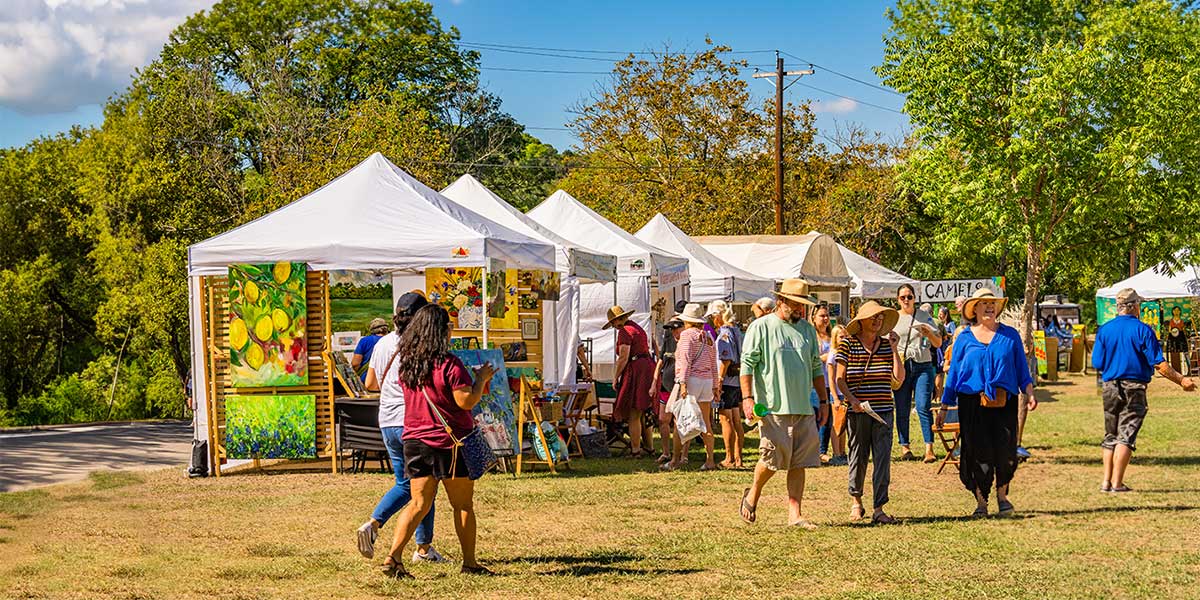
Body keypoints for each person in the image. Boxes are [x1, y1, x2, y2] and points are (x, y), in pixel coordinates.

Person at [380, 304, 496, 578]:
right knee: (463, 505)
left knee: (418, 503)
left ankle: (393, 557)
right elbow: (465, 401)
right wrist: (480, 380)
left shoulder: (408, 364)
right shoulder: (450, 364)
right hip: (449, 444)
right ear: (441, 330)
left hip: (416, 441)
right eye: (449, 325)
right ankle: (470, 563)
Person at [356, 293, 445, 565]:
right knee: (416, 486)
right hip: (413, 421)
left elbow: (370, 383)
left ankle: (424, 547)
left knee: (420, 485)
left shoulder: (382, 343)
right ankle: (374, 523)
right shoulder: (419, 344)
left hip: (387, 421)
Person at [738, 279, 829, 529]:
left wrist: (823, 400)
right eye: (795, 304)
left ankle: (795, 514)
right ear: (781, 301)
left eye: (803, 305)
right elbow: (747, 366)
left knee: (800, 462)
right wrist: (748, 398)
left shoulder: (808, 331)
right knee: (771, 459)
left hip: (802, 406)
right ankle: (753, 494)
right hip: (772, 407)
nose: (800, 309)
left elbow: (815, 368)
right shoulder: (761, 327)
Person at [937, 288, 1036, 517]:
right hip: (972, 403)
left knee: (1006, 451)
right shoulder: (963, 338)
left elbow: (1022, 370)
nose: (989, 307)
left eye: (992, 303)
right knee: (977, 452)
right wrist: (944, 406)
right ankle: (982, 503)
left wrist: (1030, 393)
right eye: (983, 303)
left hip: (1004, 401)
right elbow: (953, 376)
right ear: (975, 310)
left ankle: (1002, 498)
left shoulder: (1010, 336)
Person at [1091, 288, 1196, 493]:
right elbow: (1160, 364)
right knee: (1126, 434)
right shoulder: (1143, 330)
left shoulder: (1105, 330)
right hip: (1134, 387)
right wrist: (1182, 380)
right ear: (1134, 306)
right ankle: (1117, 483)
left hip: (1110, 387)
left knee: (1110, 434)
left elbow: (1097, 362)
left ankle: (1105, 482)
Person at [835, 301, 904, 524]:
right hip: (858, 411)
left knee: (883, 459)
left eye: (880, 317)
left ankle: (879, 507)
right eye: (873, 317)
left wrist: (894, 349)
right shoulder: (847, 345)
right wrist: (851, 400)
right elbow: (840, 379)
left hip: (883, 411)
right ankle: (856, 502)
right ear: (862, 321)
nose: (877, 320)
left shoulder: (886, 346)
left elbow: (899, 379)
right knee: (858, 456)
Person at [892, 283, 943, 463]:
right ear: (897, 300)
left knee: (923, 406)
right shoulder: (893, 318)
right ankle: (905, 447)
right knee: (902, 407)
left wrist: (928, 333)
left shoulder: (924, 316)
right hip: (902, 366)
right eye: (902, 297)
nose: (906, 300)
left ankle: (929, 448)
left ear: (915, 298)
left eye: (909, 296)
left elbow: (937, 343)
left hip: (923, 365)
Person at [667, 303, 720, 471]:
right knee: (706, 422)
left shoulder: (686, 336)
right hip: (707, 381)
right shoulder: (708, 337)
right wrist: (716, 386)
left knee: (680, 421)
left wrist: (682, 383)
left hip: (692, 380)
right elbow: (713, 363)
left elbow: (685, 361)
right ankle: (710, 460)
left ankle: (675, 460)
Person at [606, 305, 656, 458]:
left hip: (637, 370)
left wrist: (616, 376)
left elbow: (623, 356)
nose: (614, 327)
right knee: (644, 411)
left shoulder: (624, 331)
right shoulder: (637, 327)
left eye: (613, 324)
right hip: (647, 367)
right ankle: (649, 447)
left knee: (634, 412)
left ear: (616, 321)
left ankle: (635, 451)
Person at [711, 300, 746, 469]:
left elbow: (725, 359)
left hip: (727, 380)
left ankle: (729, 457)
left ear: (718, 316)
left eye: (712, 316)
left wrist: (719, 379)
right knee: (736, 420)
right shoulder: (736, 330)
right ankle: (738, 458)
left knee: (726, 419)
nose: (712, 320)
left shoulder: (724, 333)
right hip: (737, 380)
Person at [652, 318, 685, 463]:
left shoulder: (686, 342)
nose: (672, 331)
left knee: (680, 421)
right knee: (663, 420)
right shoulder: (668, 339)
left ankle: (683, 455)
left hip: (680, 386)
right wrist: (654, 383)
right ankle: (666, 452)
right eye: (670, 329)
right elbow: (660, 360)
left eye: (674, 328)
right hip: (666, 385)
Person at [809, 304, 839, 464]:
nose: (826, 319)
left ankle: (823, 450)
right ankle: (814, 451)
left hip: (832, 383)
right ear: (814, 318)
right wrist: (826, 357)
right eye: (822, 316)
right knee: (817, 416)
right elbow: (811, 359)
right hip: (816, 383)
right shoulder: (813, 337)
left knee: (829, 420)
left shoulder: (831, 336)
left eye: (827, 315)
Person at [824, 325, 849, 466]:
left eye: (845, 336)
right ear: (835, 338)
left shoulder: (847, 352)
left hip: (846, 393)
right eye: (841, 336)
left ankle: (842, 451)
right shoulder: (832, 354)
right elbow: (831, 379)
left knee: (844, 425)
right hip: (837, 395)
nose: (844, 339)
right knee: (836, 425)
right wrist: (835, 397)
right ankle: (836, 453)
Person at [1164, 306, 1189, 375]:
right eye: (1175, 310)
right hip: (1173, 337)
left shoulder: (1181, 321)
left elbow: (1183, 329)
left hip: (1181, 337)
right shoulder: (1171, 321)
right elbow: (1169, 330)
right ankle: (1173, 370)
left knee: (1185, 351)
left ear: (1180, 311)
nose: (1176, 312)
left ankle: (1189, 369)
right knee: (1173, 352)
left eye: (1178, 310)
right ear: (1172, 311)